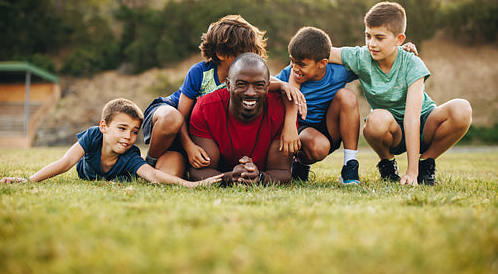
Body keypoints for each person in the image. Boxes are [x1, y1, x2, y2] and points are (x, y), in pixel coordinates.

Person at [143, 15, 303, 179]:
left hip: (195, 128)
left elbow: (276, 88)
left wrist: (285, 88)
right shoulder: (200, 73)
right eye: (242, 53)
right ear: (220, 53)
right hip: (174, 116)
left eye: (252, 52)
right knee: (172, 119)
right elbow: (182, 116)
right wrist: (190, 147)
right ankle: (147, 163)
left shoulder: (249, 79)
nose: (247, 58)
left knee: (170, 175)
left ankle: (171, 164)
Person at [329, 1, 472, 185]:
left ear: (399, 39)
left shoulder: (412, 64)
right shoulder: (361, 57)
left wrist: (412, 172)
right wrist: (294, 66)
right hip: (391, 130)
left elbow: (412, 119)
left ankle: (425, 163)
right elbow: (323, 52)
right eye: (368, 36)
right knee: (375, 121)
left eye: (379, 38)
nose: (371, 44)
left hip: (423, 123)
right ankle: (387, 163)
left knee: (462, 109)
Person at [0, 98, 222, 187]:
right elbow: (66, 162)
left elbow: (153, 175)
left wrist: (191, 184)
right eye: (122, 129)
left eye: (135, 131)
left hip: (131, 170)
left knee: (147, 169)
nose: (128, 136)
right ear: (104, 127)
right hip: (86, 172)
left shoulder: (129, 155)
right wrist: (29, 180)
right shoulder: (94, 136)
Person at [188, 53, 292, 186]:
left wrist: (259, 177)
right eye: (241, 84)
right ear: (228, 84)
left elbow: (282, 172)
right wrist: (230, 177)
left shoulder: (281, 110)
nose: (250, 92)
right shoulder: (206, 108)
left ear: (268, 87)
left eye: (259, 85)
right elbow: (199, 171)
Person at [274, 27, 361, 184]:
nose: (295, 67)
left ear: (322, 63)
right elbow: (264, 81)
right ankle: (300, 164)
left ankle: (350, 166)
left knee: (347, 96)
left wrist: (401, 50)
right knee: (319, 146)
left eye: (301, 64)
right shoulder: (290, 73)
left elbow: (371, 62)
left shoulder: (340, 70)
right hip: (302, 130)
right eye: (292, 61)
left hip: (330, 127)